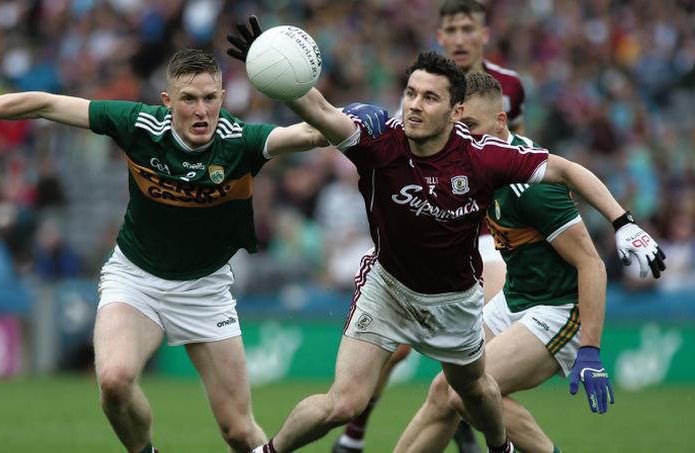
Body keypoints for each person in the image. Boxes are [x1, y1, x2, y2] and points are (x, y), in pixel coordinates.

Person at [226, 19, 664, 453]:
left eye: (430, 97)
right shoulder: (379, 141)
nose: (415, 105)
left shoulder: (485, 157)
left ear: (455, 114)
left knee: (472, 390)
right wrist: (273, 69)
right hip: (388, 287)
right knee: (343, 403)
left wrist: (622, 222)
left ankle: (499, 446)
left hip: (455, 302)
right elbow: (319, 111)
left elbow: (566, 169)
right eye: (411, 93)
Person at [0, 48, 331, 453]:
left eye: (210, 98)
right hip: (136, 279)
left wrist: (357, 119)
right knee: (115, 381)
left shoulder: (240, 141)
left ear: (223, 98)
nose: (202, 110)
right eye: (189, 99)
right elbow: (46, 104)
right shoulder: (138, 125)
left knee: (240, 432)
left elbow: (313, 132)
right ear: (168, 101)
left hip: (206, 290)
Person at [392, 71, 641, 453]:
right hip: (518, 297)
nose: (465, 138)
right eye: (459, 127)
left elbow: (592, 264)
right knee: (444, 391)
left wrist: (590, 349)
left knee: (469, 392)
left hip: (561, 309)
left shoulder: (532, 188)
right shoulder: (471, 167)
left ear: (501, 121)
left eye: (473, 128)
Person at [338, 2, 529, 450]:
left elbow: (515, 145)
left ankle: (465, 415)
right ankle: (355, 431)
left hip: (484, 232)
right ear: (440, 37)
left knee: (481, 341)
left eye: (468, 29)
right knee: (400, 344)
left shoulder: (512, 86)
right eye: (452, 30)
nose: (460, 38)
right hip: (430, 222)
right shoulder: (428, 85)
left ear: (485, 34)